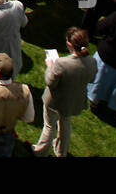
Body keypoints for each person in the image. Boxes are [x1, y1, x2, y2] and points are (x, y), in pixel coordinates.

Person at [31, 28, 97, 157]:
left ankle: (40, 151)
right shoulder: (92, 61)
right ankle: (61, 152)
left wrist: (50, 66)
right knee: (65, 124)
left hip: (56, 100)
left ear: (70, 44)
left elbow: (50, 82)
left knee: (49, 126)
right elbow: (92, 79)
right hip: (74, 100)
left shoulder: (62, 63)